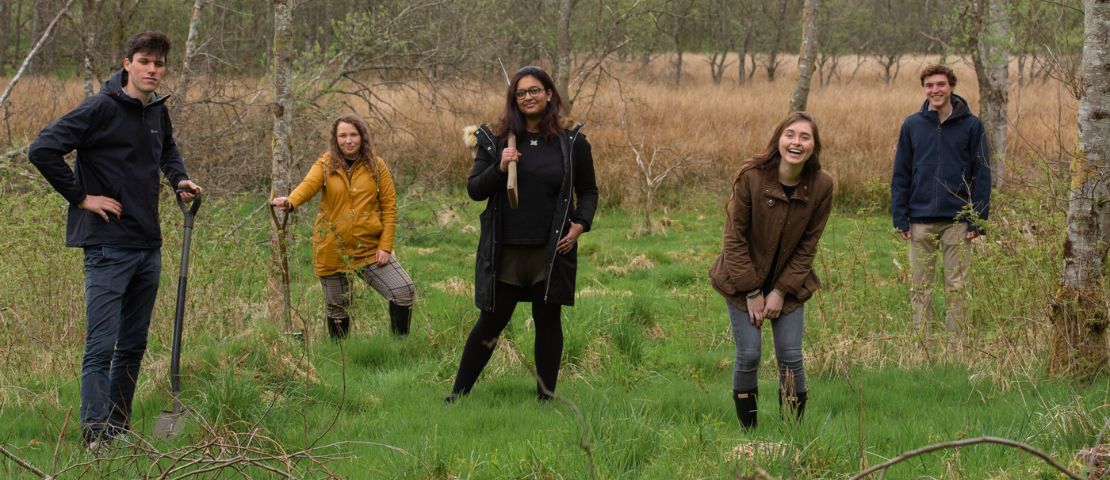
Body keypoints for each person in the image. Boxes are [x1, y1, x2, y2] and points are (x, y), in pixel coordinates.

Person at [28, 31, 202, 450]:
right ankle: (94, 435)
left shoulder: (157, 111)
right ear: (128, 64)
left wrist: (178, 179)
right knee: (101, 346)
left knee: (133, 345)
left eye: (159, 64)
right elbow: (43, 149)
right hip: (107, 246)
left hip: (148, 244)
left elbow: (167, 150)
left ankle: (118, 432)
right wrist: (81, 197)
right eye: (145, 62)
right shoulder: (100, 108)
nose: (152, 70)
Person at [446, 66, 598, 403]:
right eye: (521, 93)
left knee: (548, 321)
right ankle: (457, 396)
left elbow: (588, 191)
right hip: (507, 251)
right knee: (490, 322)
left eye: (534, 90)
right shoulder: (496, 140)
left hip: (552, 249)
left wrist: (580, 225)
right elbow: (475, 190)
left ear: (549, 94)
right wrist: (500, 167)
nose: (528, 97)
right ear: (513, 99)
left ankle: (546, 399)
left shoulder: (571, 141)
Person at [709, 111, 833, 430]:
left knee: (790, 356)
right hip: (741, 278)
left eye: (805, 137)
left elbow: (808, 245)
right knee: (750, 353)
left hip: (789, 284)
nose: (796, 142)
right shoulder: (751, 176)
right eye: (790, 134)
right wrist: (752, 291)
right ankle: (749, 434)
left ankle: (791, 434)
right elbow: (733, 238)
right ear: (778, 140)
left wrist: (780, 290)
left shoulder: (822, 185)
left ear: (814, 146)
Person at [271, 114, 415, 339]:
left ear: (362, 137)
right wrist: (291, 201)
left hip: (369, 248)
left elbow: (389, 207)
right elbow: (308, 185)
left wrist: (385, 246)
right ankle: (341, 352)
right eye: (343, 135)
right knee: (338, 308)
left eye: (353, 135)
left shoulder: (377, 166)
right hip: (333, 249)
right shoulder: (325, 164)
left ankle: (400, 346)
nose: (349, 140)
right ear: (335, 139)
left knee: (403, 290)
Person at [890, 64, 990, 337]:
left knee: (956, 286)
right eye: (929, 85)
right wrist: (900, 217)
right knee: (920, 286)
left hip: (957, 221)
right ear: (925, 89)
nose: (935, 90)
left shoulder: (972, 126)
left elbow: (982, 175)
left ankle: (956, 346)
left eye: (941, 84)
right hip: (919, 220)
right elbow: (901, 173)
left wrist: (977, 221)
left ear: (951, 87)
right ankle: (922, 344)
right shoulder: (912, 125)